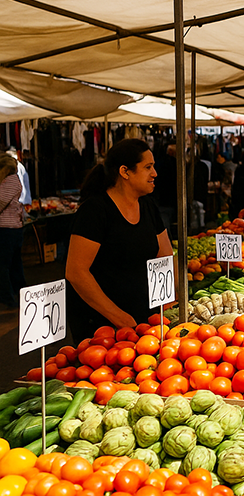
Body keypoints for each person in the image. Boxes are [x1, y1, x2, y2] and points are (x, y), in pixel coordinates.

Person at [65, 139, 174, 343]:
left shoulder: (148, 206)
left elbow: (165, 255)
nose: (155, 174)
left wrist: (169, 300)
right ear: (125, 172)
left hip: (144, 317)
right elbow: (76, 272)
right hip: (101, 323)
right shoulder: (95, 211)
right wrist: (119, 317)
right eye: (148, 167)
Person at [0, 154, 26, 308]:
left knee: (4, 265)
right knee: (14, 264)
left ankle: (7, 297)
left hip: (7, 230)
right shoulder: (12, 181)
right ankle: (19, 292)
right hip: (13, 229)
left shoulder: (9, 181)